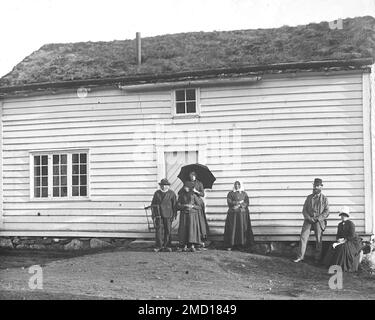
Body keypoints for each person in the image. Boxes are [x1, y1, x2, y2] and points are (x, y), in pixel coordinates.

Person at [294, 178, 330, 264]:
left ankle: (317, 259)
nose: (315, 187)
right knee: (303, 237)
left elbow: (326, 212)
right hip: (308, 220)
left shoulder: (324, 199)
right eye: (314, 185)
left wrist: (318, 218)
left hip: (318, 221)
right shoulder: (309, 197)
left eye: (317, 186)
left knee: (318, 239)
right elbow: (304, 210)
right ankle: (300, 256)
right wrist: (308, 218)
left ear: (321, 187)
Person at [323, 206, 363, 272]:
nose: (342, 217)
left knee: (343, 248)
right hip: (342, 240)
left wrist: (345, 240)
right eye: (342, 215)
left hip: (352, 241)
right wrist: (339, 239)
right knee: (332, 246)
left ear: (347, 216)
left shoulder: (351, 224)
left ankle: (343, 266)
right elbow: (338, 235)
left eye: (344, 215)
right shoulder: (340, 224)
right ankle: (331, 265)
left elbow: (352, 235)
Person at [224, 180, 254, 251]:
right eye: (235, 184)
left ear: (240, 185)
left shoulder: (244, 194)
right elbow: (229, 201)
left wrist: (240, 205)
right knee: (233, 228)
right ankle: (231, 244)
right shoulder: (230, 193)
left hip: (242, 215)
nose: (237, 186)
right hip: (233, 215)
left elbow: (247, 202)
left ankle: (242, 244)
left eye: (238, 184)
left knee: (241, 228)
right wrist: (237, 203)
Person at [150, 178, 177, 252]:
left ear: (168, 186)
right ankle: (159, 246)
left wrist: (174, 215)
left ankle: (167, 246)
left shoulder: (172, 193)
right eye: (162, 185)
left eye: (166, 185)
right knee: (158, 231)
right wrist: (153, 214)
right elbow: (153, 204)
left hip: (168, 215)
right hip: (158, 215)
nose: (164, 187)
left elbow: (174, 205)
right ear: (160, 186)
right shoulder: (157, 193)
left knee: (168, 230)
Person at [177, 181, 203, 252]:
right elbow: (178, 206)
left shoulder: (193, 196)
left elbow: (199, 206)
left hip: (192, 216)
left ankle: (192, 245)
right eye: (185, 187)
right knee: (184, 230)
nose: (186, 188)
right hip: (184, 216)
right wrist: (184, 205)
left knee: (192, 230)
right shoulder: (181, 195)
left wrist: (193, 206)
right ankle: (184, 245)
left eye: (187, 187)